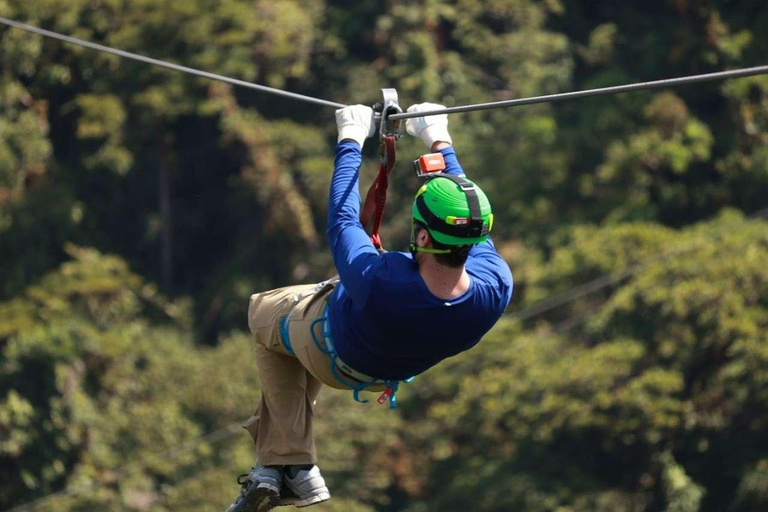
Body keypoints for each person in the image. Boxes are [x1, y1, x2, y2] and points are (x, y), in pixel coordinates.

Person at [226, 103, 513, 511]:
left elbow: (343, 221)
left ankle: (290, 463)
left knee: (263, 313)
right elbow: (467, 218)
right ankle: (279, 468)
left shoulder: (380, 280)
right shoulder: (495, 286)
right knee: (296, 325)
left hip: (334, 352)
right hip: (388, 370)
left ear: (424, 239)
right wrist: (438, 139)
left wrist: (349, 140)